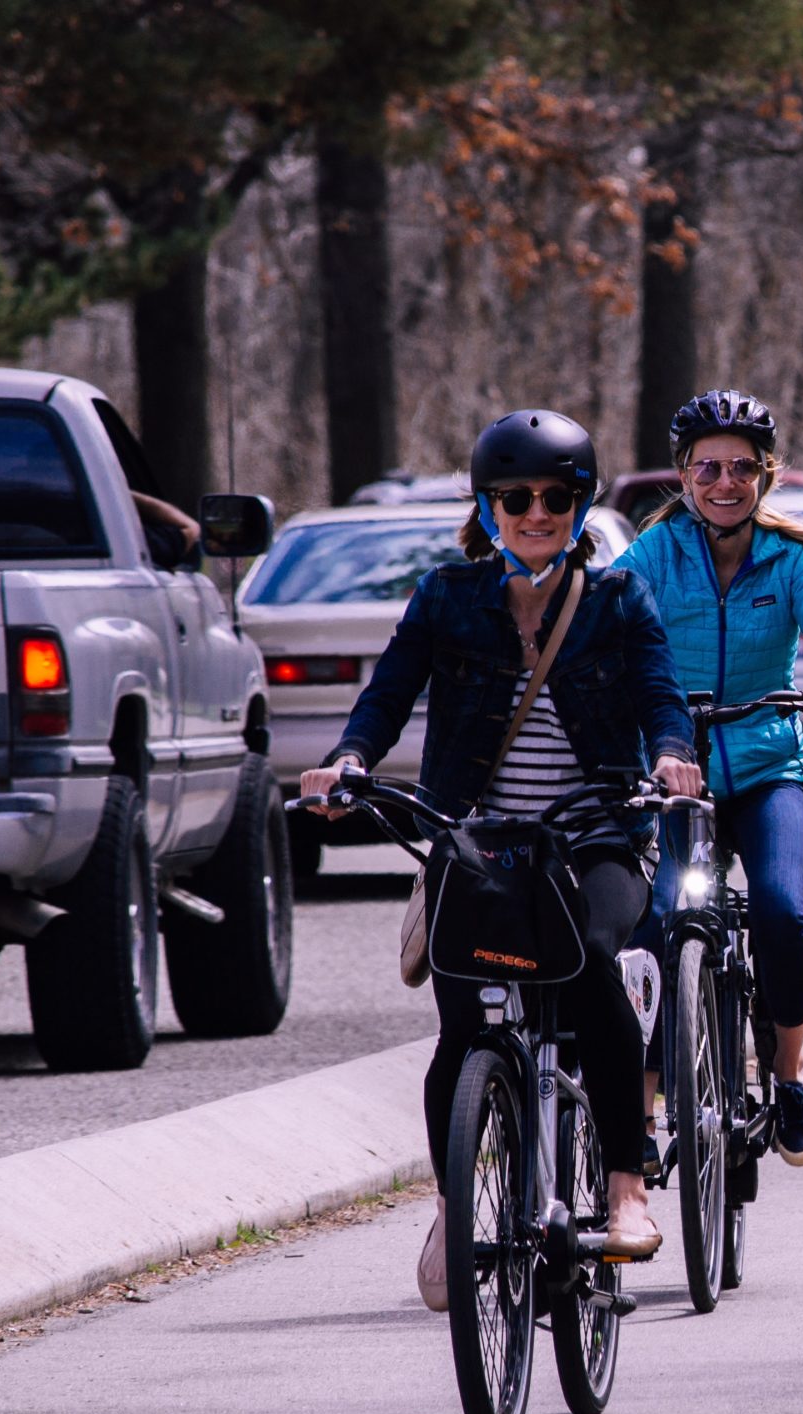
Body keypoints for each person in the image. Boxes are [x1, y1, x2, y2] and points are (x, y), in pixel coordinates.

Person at [299, 410, 702, 1309]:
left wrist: (672, 753)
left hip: (594, 833)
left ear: (581, 505)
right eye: (515, 498)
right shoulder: (447, 597)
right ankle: (456, 1200)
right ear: (486, 508)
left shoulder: (617, 601)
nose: (535, 514)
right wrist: (351, 763)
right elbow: (388, 694)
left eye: (555, 499)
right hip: (476, 843)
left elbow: (660, 695)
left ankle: (627, 1188)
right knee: (465, 1032)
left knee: (593, 960)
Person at [621, 388, 803, 1166]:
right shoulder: (655, 554)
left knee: (777, 911)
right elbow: (610, 621)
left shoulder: (795, 556)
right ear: (683, 474)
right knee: (659, 919)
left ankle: (790, 1076)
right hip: (675, 774)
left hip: (768, 769)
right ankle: (642, 1103)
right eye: (707, 469)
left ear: (767, 474)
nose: (723, 483)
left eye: (740, 468)